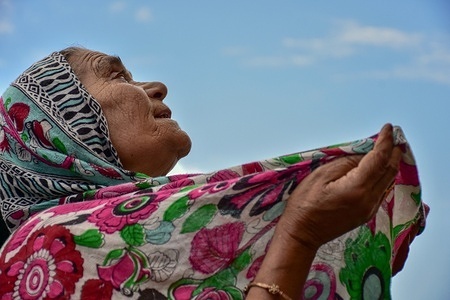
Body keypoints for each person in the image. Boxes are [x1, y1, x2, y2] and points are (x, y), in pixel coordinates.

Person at [0, 47, 427, 299]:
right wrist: (299, 238)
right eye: (115, 75)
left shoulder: (177, 229)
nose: (157, 87)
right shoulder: (45, 247)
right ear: (57, 126)